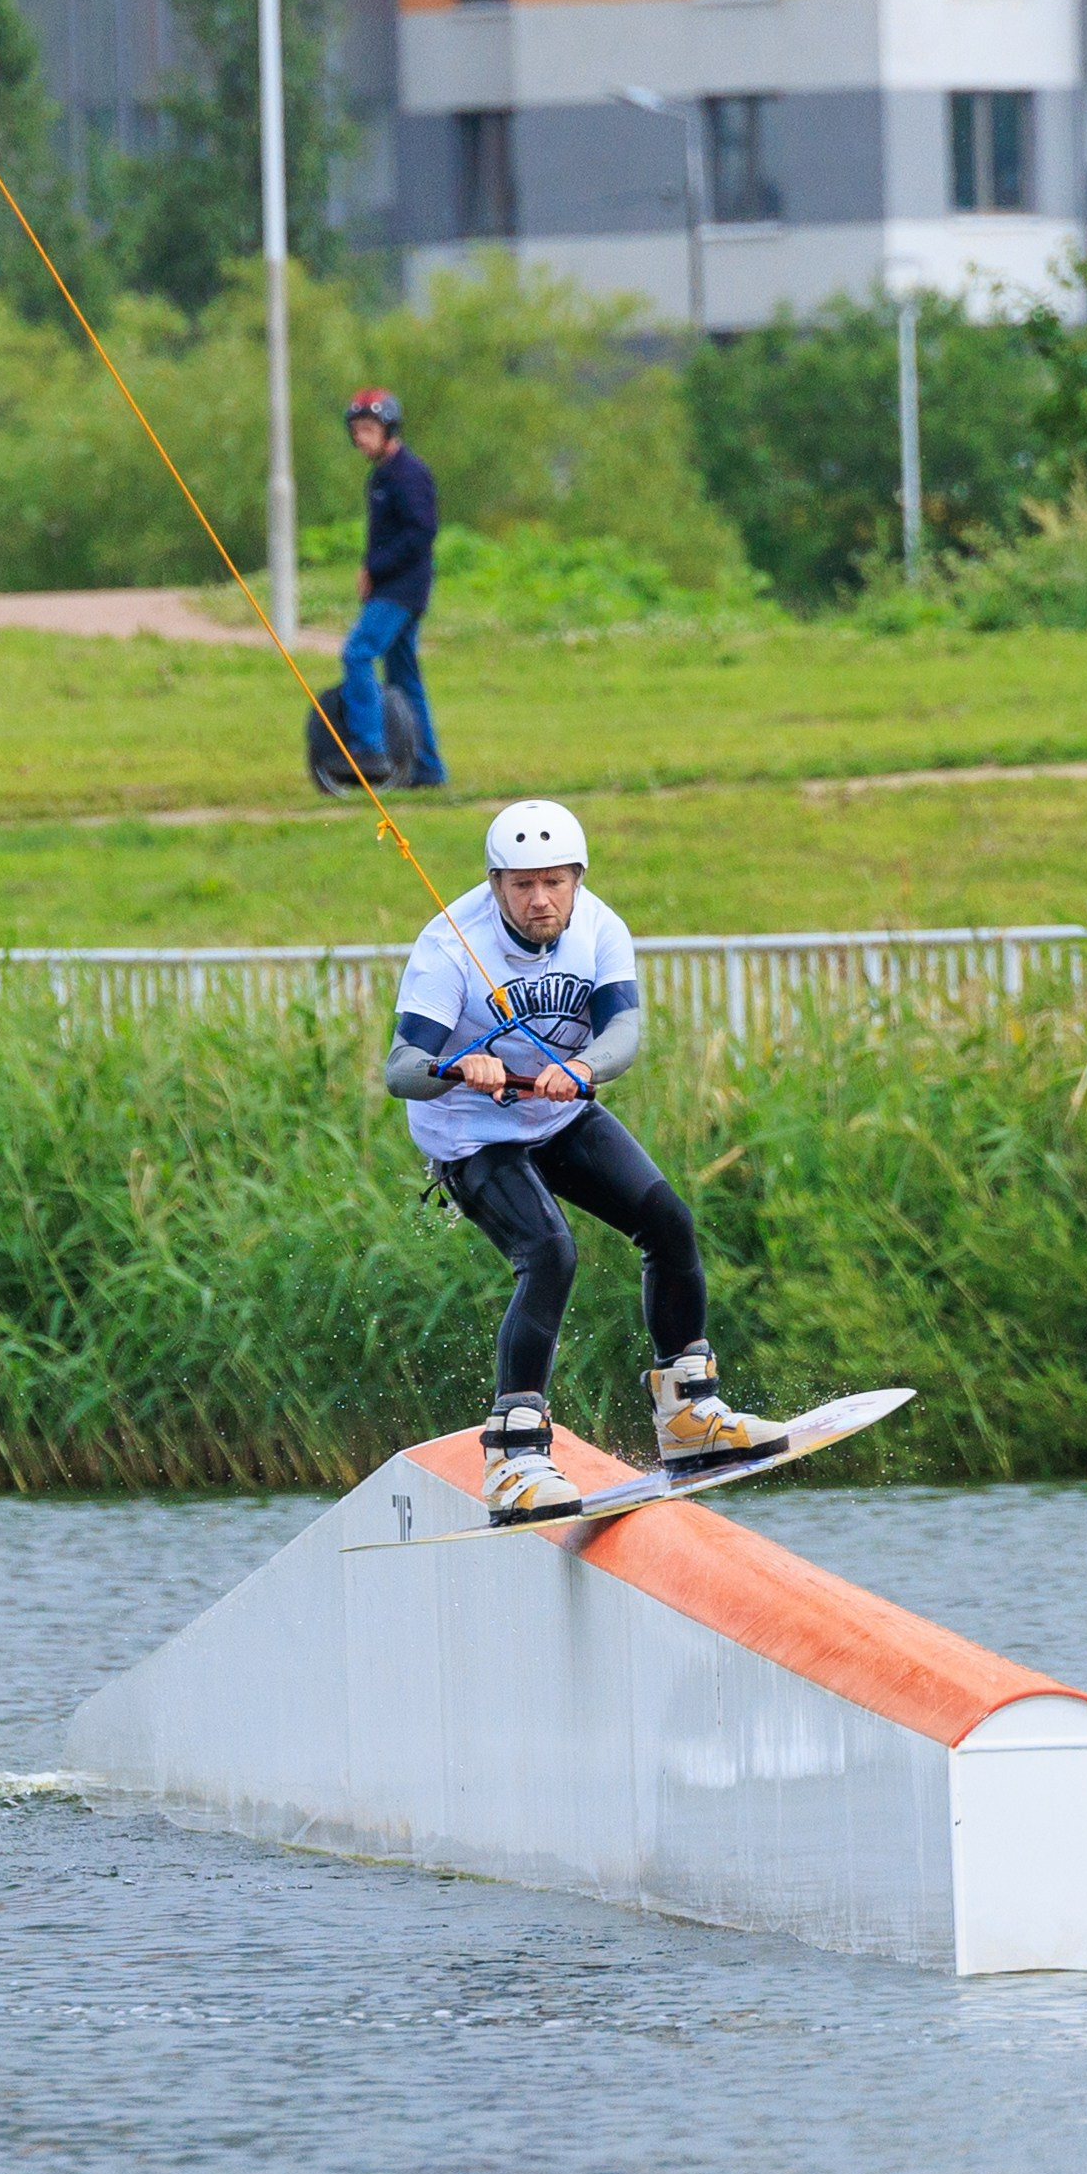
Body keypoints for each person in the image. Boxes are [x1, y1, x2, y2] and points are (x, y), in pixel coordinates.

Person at [385, 798, 785, 1520]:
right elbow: (400, 1067)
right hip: (469, 1135)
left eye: (554, 883)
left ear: (577, 878)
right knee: (550, 1252)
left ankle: (688, 1415)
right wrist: (456, 1064)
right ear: (495, 882)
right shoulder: (448, 945)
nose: (540, 900)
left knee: (667, 1220)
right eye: (522, 885)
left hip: (559, 1108)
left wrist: (585, 1068)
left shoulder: (599, 926)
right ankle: (514, 1456)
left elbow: (624, 1031)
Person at [341, 388, 447, 790]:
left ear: (388, 430)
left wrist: (375, 568)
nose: (360, 438)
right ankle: (428, 769)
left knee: (357, 653)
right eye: (356, 430)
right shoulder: (381, 475)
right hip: (390, 587)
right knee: (404, 679)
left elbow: (422, 532)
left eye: (367, 429)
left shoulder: (409, 473)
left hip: (402, 589)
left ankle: (370, 749)